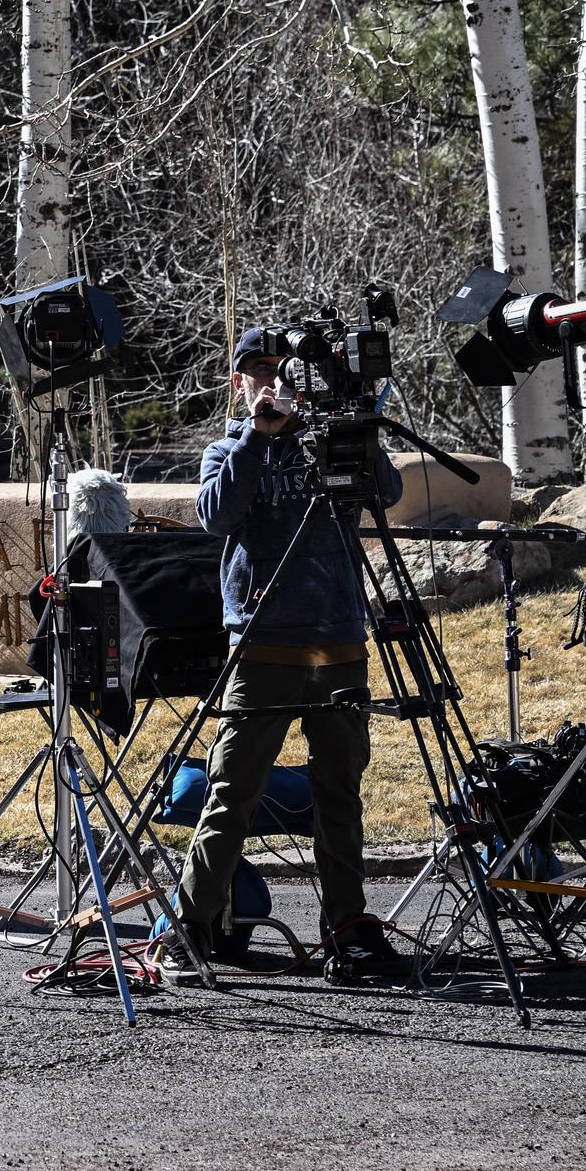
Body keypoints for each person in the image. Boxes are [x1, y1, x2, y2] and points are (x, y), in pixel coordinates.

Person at [167, 325, 408, 984]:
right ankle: (191, 930)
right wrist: (259, 434)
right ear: (239, 382)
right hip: (262, 644)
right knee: (231, 793)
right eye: (256, 372)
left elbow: (385, 492)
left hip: (338, 642)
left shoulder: (329, 440)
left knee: (340, 791)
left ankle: (348, 931)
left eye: (281, 372)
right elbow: (217, 515)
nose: (269, 382)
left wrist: (350, 426)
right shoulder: (228, 449)